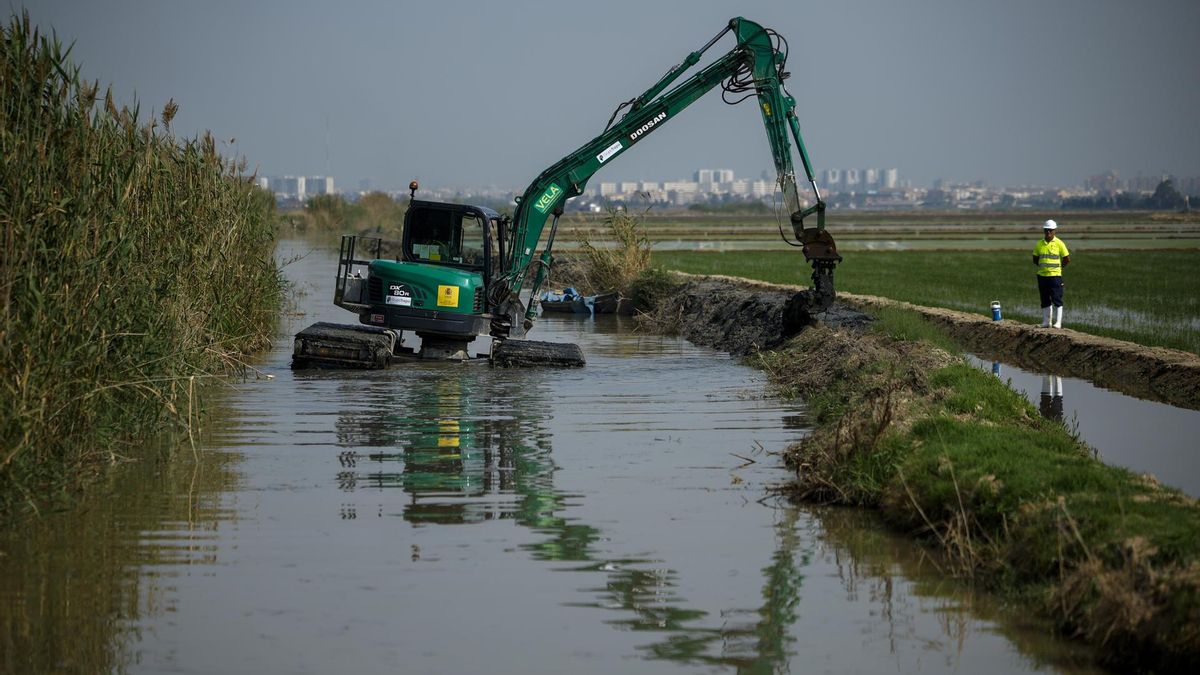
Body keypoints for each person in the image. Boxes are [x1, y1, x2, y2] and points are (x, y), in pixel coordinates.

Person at [1032, 219, 1070, 328]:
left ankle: (1058, 323)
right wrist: (1043, 267)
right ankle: (1046, 322)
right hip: (1042, 276)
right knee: (1044, 299)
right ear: (1044, 230)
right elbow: (1035, 259)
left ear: (1054, 231)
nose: (1048, 232)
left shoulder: (1059, 243)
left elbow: (1066, 259)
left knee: (1057, 298)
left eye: (1050, 230)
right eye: (1046, 230)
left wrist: (1058, 268)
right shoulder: (1039, 244)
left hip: (1055, 276)